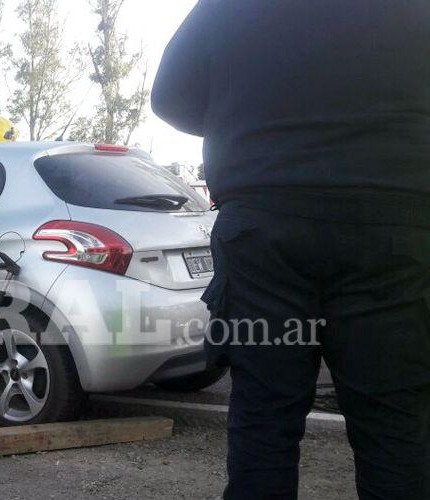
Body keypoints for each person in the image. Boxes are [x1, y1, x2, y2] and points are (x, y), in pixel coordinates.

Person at [152, 1, 430, 499]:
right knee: (394, 423)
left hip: (265, 222)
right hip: (391, 224)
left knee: (264, 417)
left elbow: (170, 98)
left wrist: (247, 117)